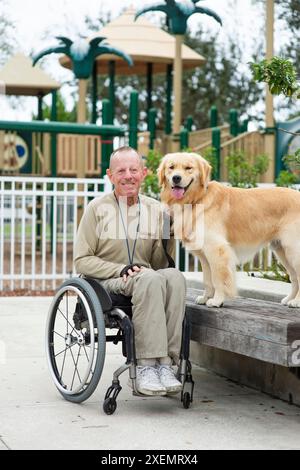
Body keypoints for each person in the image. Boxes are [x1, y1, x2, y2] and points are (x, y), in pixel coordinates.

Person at [74, 146, 186, 396]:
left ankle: (168, 364)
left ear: (143, 173)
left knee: (174, 277)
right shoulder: (97, 209)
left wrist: (167, 235)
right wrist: (121, 268)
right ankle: (146, 365)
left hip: (147, 279)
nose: (128, 175)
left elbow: (160, 264)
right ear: (110, 175)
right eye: (121, 170)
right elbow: (82, 261)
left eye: (133, 169)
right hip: (109, 281)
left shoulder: (156, 209)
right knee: (147, 277)